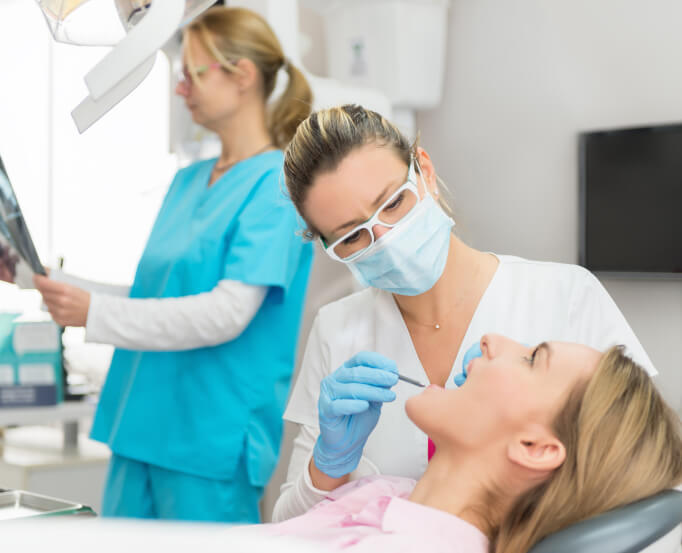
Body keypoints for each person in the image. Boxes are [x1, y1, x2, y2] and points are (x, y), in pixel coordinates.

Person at [273, 104, 658, 521]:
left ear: (425, 171)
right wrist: (328, 465)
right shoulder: (337, 329)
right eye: (352, 237)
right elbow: (288, 525)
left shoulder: (566, 295)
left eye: (394, 203)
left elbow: (649, 481)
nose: (385, 240)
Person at [34, 6, 313, 523]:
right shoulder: (190, 179)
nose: (179, 88)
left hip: (209, 440)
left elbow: (226, 313)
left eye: (191, 73)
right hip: (140, 427)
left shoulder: (277, 186)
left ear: (243, 76)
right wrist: (49, 282)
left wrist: (93, 313)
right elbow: (151, 297)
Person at [251, 336, 682, 552]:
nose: (491, 339)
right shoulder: (390, 496)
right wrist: (331, 465)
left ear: (534, 446)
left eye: (532, 359)